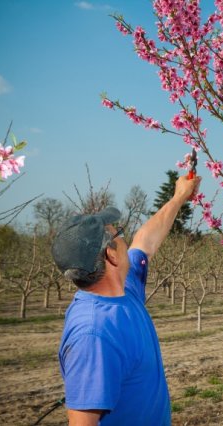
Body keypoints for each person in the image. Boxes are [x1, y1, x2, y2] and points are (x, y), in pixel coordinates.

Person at [52, 173, 200, 426]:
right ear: (111, 255)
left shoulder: (123, 290)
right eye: (118, 232)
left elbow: (146, 241)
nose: (126, 237)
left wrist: (179, 197)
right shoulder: (93, 335)